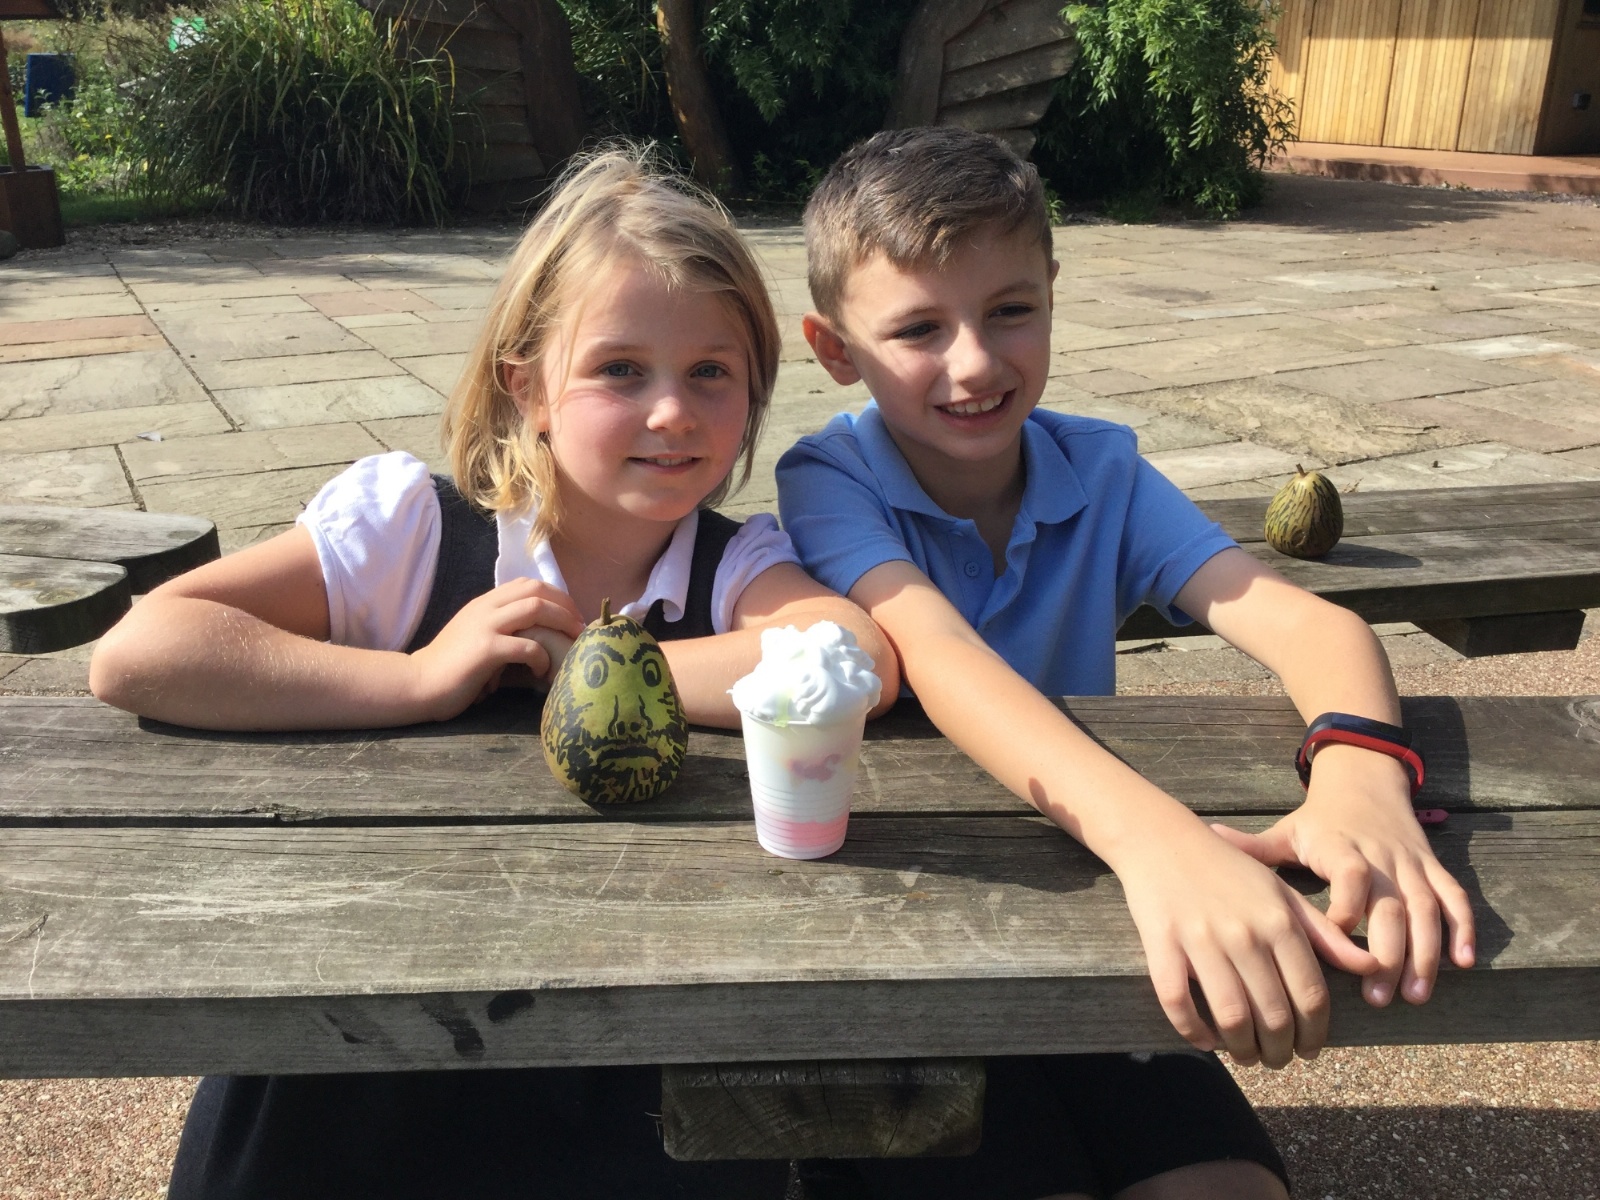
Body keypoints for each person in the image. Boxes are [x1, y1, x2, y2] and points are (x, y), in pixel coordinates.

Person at [90, 147, 895, 1199]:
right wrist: (419, 678)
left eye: (712, 371)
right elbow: (141, 648)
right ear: (530, 389)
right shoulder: (416, 534)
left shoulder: (733, 563)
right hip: (363, 1046)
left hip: (626, 1055)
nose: (672, 411)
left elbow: (854, 654)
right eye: (620, 370)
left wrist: (597, 665)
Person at [776, 127, 1478, 1200]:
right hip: (920, 913)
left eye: (1010, 309)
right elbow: (939, 656)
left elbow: (1308, 624)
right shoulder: (830, 478)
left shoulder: (1101, 469)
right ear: (836, 351)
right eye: (919, 328)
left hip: (1097, 906)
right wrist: (1164, 844)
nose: (975, 362)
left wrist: (1361, 778)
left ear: (1053, 293)